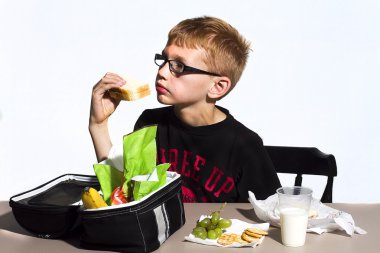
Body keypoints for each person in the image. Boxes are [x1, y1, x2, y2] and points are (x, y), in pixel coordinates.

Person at [89, 16, 281, 203]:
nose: (162, 72)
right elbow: (125, 196)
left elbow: (271, 216)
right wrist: (98, 125)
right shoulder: (150, 123)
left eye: (179, 66)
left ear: (217, 87)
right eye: (164, 60)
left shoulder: (244, 145)